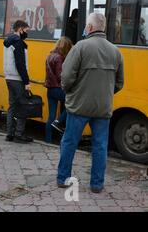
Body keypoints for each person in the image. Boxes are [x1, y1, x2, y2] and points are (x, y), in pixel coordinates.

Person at [57, 13, 124, 194]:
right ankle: (96, 184)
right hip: (103, 108)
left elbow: (66, 77)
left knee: (70, 142)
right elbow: (119, 83)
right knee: (100, 146)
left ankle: (63, 178)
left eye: (86, 25)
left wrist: (70, 92)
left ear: (90, 28)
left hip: (79, 106)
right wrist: (105, 95)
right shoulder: (115, 51)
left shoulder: (80, 47)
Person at [3, 20, 34, 144]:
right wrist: (26, 81)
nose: (27, 33)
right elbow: (20, 64)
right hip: (17, 79)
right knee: (22, 106)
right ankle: (19, 134)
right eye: (26, 31)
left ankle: (9, 134)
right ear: (20, 29)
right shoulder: (18, 43)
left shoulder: (8, 41)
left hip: (9, 78)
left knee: (12, 106)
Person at [44, 36, 73, 143]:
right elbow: (60, 76)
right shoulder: (60, 58)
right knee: (72, 104)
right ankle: (59, 121)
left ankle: (48, 140)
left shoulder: (50, 55)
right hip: (58, 89)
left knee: (51, 115)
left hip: (50, 89)